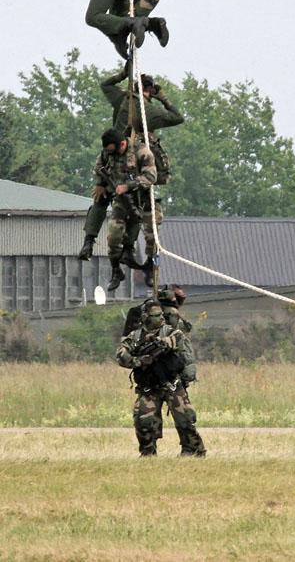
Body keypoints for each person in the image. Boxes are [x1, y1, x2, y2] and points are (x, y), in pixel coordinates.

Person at [78, 69, 183, 262]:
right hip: (134, 163)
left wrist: (124, 74)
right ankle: (128, 248)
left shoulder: (122, 98)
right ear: (150, 91)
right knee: (138, 204)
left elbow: (105, 85)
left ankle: (88, 241)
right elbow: (178, 117)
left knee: (101, 200)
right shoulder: (150, 112)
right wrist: (163, 98)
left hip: (110, 159)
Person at [116, 299, 206, 457]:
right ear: (146, 317)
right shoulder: (135, 336)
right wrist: (138, 360)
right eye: (156, 315)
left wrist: (160, 343)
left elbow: (177, 340)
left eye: (161, 314)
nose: (161, 318)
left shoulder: (170, 331)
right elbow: (121, 354)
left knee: (185, 420)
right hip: (149, 387)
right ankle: (148, 453)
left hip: (171, 384)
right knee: (143, 421)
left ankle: (195, 451)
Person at [93, 129, 162, 291]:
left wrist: (128, 186)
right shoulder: (108, 154)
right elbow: (98, 169)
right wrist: (99, 185)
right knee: (113, 236)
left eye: (114, 150)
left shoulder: (142, 152)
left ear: (122, 144)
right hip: (121, 201)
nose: (112, 154)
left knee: (154, 239)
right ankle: (116, 271)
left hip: (144, 199)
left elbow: (151, 176)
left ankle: (150, 269)